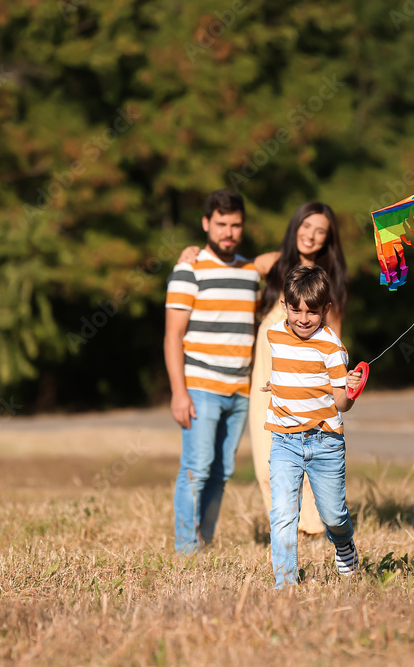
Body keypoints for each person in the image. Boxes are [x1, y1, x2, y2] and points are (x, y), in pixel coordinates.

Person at [179, 202, 348, 536]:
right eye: (306, 226)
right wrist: (193, 253)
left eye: (320, 231)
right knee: (267, 453)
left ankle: (314, 527)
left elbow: (336, 338)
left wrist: (336, 382)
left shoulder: (330, 280)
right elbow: (227, 266)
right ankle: (287, 523)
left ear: (329, 239)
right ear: (295, 226)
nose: (310, 235)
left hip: (309, 376)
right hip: (265, 376)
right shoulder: (271, 263)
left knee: (312, 447)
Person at [164, 189, 261, 554]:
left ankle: (205, 541)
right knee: (196, 467)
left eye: (235, 225)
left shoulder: (251, 273)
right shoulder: (188, 270)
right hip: (200, 386)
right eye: (221, 224)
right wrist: (178, 391)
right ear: (206, 224)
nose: (228, 232)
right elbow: (172, 336)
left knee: (222, 472)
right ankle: (186, 548)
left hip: (240, 389)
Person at [260, 265, 363, 588]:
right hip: (284, 441)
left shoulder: (332, 349)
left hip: (325, 441)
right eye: (296, 309)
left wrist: (351, 388)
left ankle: (343, 543)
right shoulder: (274, 333)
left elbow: (341, 404)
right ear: (284, 306)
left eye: (312, 311)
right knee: (283, 514)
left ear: (326, 310)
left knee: (333, 515)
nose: (303, 318)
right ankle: (285, 583)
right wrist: (276, 384)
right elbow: (288, 369)